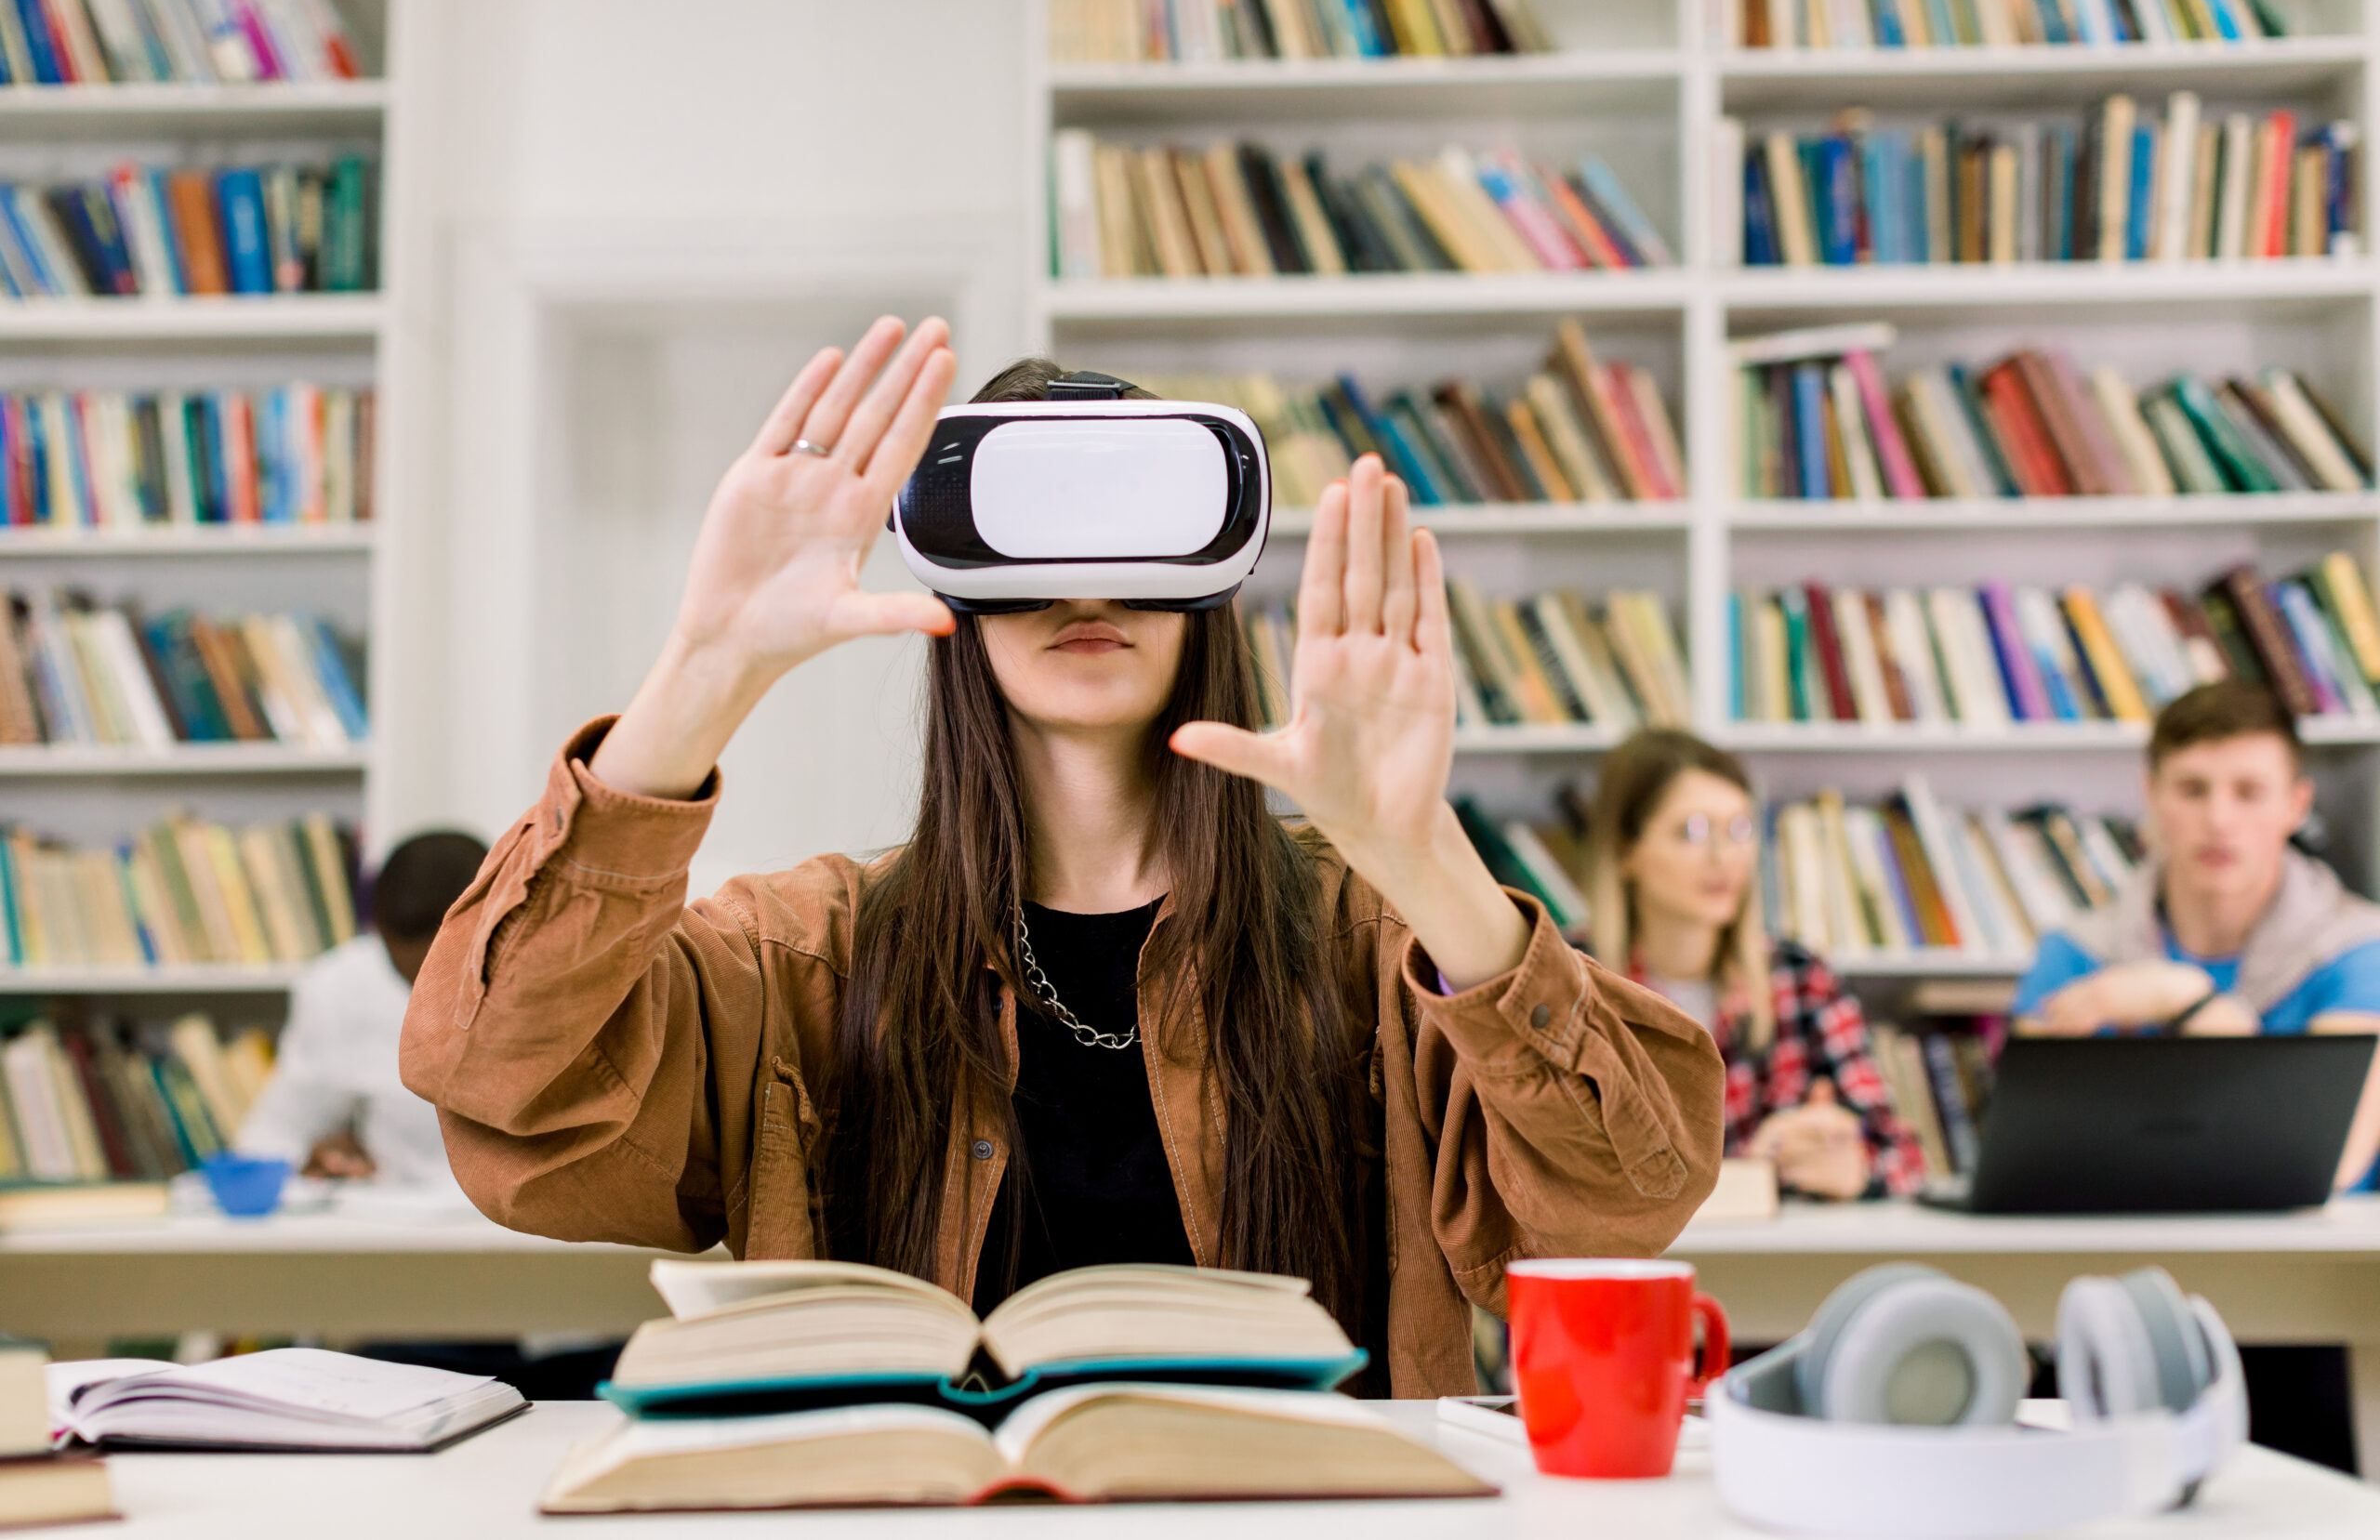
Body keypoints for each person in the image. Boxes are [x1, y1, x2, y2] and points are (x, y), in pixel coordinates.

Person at [399, 316, 1726, 1397]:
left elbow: (1628, 1207)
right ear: (955, 589)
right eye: (1033, 535)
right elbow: (503, 1088)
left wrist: (1425, 859)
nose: (1088, 579)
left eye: (1138, 529)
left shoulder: (1369, 935)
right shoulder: (810, 953)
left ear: (1212, 575)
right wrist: (702, 672)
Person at [2011, 679, 2380, 1193]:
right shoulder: (2076, 951)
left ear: (2296, 805)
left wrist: (2184, 1001)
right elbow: (2030, 1154)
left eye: (2249, 792)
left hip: (2306, 1265)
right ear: (2152, 796)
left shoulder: (2361, 949)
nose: (2219, 820)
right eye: (2192, 789)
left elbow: (2323, 1162)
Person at [1586, 729, 1925, 1200]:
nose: (1723, 858)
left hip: (1770, 1267)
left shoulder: (1802, 980)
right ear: (1626, 850)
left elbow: (1906, 1159)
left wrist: (1851, 1166)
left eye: (1739, 830)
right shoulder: (1567, 982)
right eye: (1693, 831)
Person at [237, 830, 490, 1186]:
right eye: (409, 975)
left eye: (449, 968)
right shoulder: (339, 988)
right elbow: (270, 1138)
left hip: (548, 1232)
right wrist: (316, 1159)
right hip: (404, 1225)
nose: (427, 991)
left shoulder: (562, 982)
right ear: (379, 935)